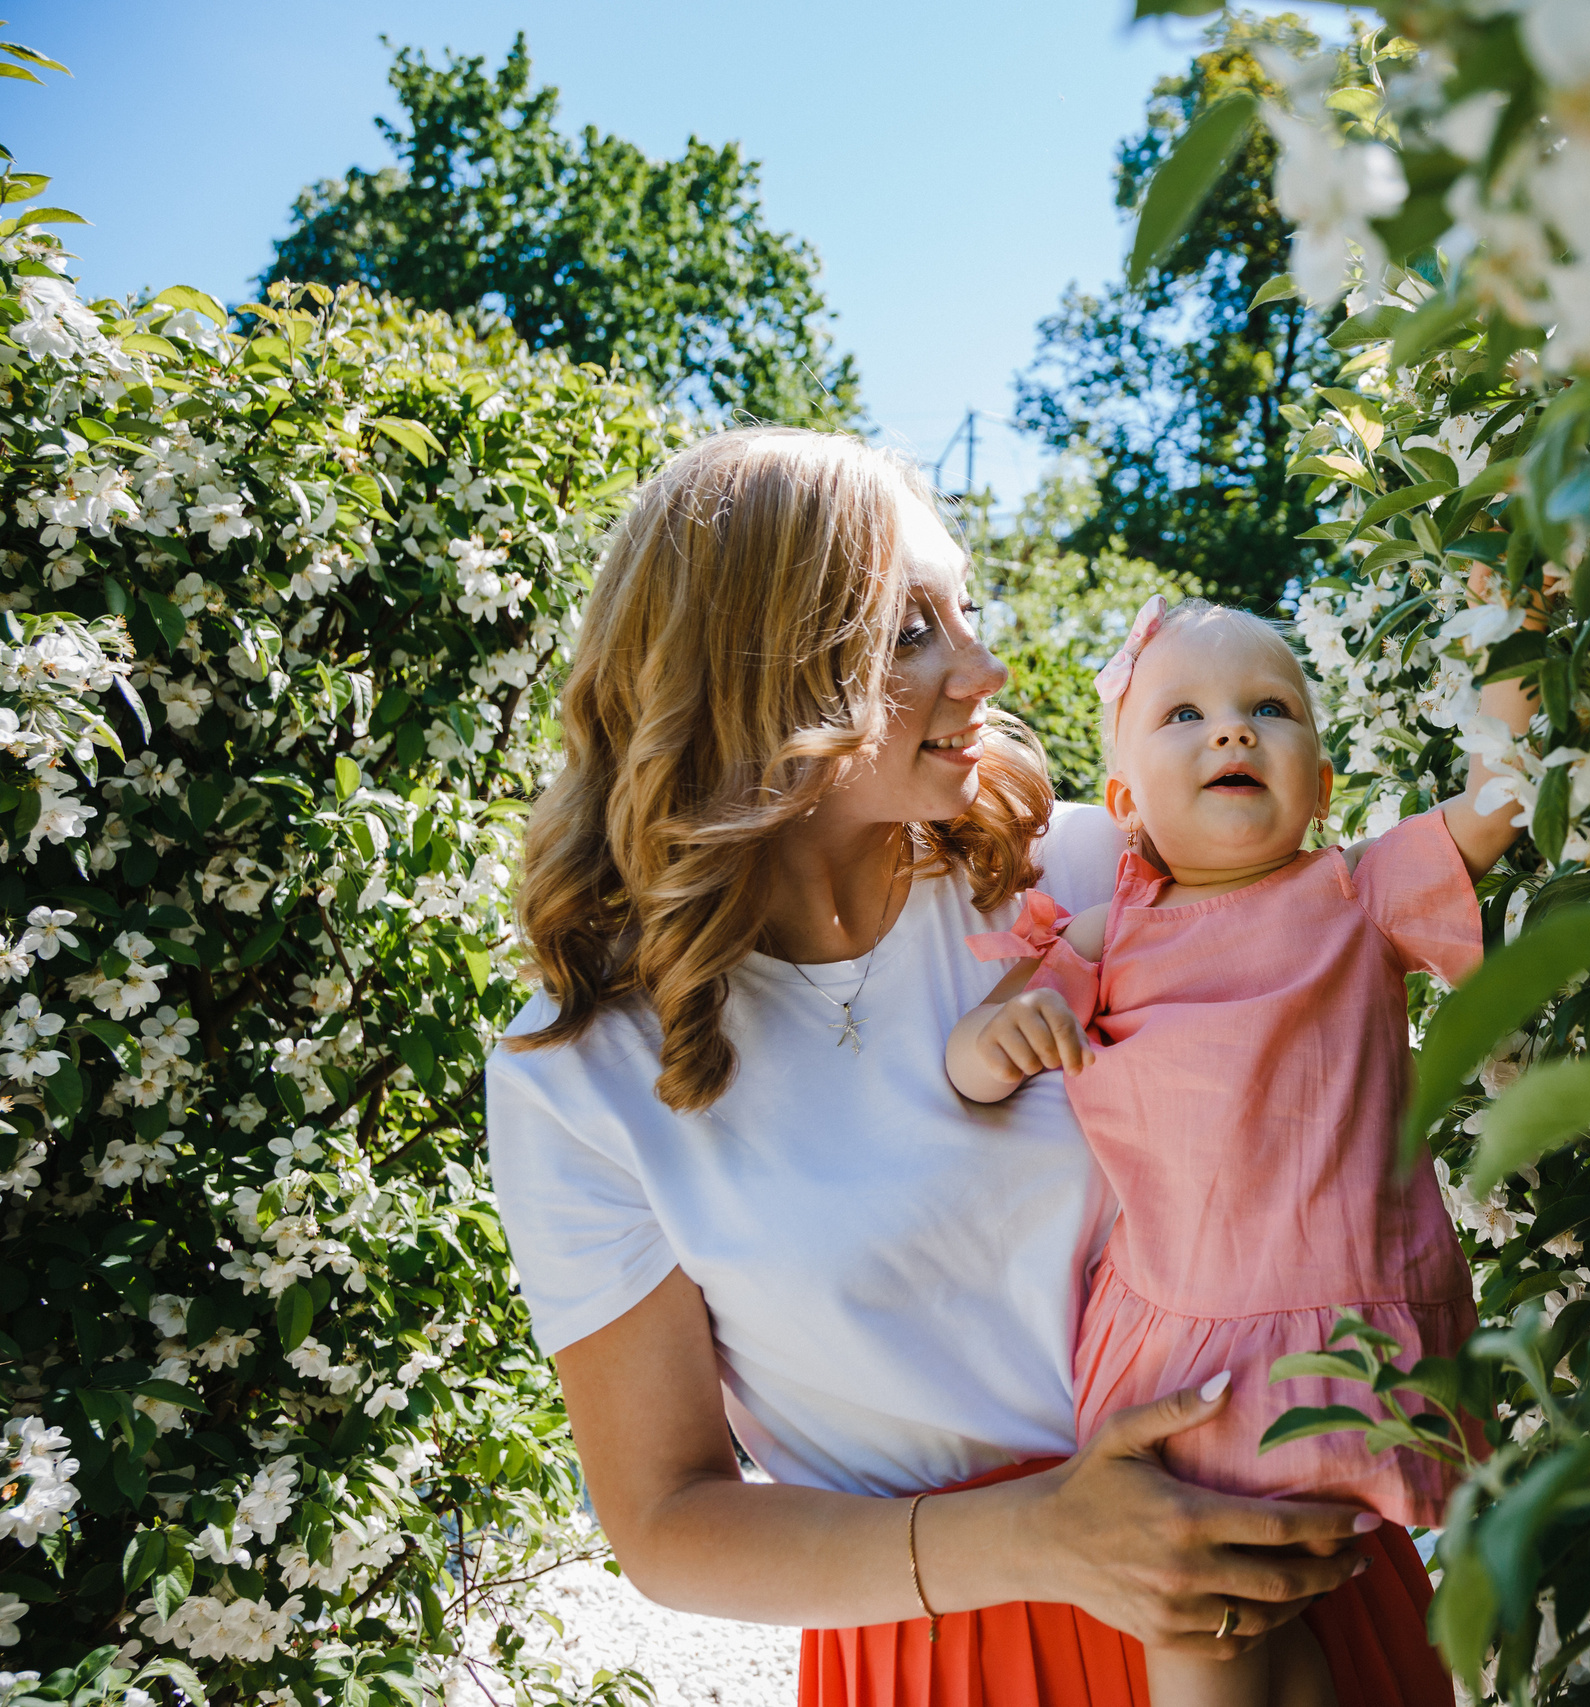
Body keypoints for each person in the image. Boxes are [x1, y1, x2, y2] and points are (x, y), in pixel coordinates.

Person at [486, 429, 1435, 1707]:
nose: (984, 669)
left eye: (969, 612)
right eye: (909, 633)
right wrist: (1047, 1539)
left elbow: (1360, 983)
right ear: (754, 672)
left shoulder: (1111, 878)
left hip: (1275, 1596)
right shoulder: (580, 1068)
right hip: (954, 1649)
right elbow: (665, 1522)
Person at [947, 597, 1535, 1707]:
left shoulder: (1357, 894)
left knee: (1227, 1627)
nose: (1231, 731)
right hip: (1185, 1365)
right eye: (1184, 714)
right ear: (1125, 806)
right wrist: (999, 1038)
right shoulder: (1107, 932)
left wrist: (1506, 628)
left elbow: (1496, 804)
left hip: (1346, 1341)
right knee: (1232, 1632)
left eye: (1269, 708)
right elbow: (974, 1060)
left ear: (1318, 788)